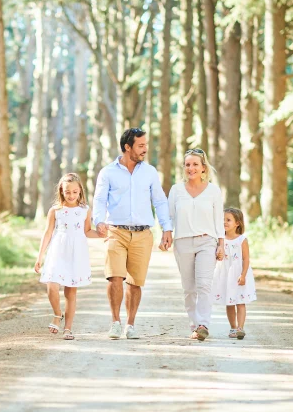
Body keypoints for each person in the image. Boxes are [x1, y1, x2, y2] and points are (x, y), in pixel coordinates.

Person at [93, 128, 173, 340]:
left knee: (135, 282)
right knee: (115, 277)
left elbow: (160, 201)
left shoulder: (149, 172)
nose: (145, 149)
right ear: (127, 147)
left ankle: (130, 324)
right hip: (115, 231)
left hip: (142, 234)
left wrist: (167, 228)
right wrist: (98, 220)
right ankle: (115, 322)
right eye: (140, 145)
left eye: (145, 145)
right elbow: (100, 200)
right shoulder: (108, 172)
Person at [163, 148, 224, 341]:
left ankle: (203, 323)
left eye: (195, 164)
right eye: (188, 164)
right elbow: (168, 217)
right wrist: (166, 234)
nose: (191, 168)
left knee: (204, 285)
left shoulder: (213, 190)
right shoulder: (176, 190)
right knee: (189, 288)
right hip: (183, 242)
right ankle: (194, 324)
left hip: (207, 241)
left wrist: (221, 244)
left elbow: (219, 219)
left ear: (203, 167)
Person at [34, 173, 101, 340]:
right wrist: (40, 256)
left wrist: (102, 235)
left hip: (76, 253)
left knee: (71, 293)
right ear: (61, 191)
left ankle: (68, 329)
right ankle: (57, 314)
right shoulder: (55, 211)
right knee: (52, 286)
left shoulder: (84, 210)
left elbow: (87, 231)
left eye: (75, 192)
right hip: (58, 251)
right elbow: (48, 233)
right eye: (67, 192)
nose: (71, 195)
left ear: (80, 192)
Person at [211, 208, 256, 340]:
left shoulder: (242, 239)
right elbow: (217, 257)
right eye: (223, 220)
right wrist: (218, 255)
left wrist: (243, 275)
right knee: (229, 302)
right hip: (225, 273)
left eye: (228, 220)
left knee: (240, 302)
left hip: (238, 273)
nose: (224, 222)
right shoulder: (220, 240)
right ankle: (233, 327)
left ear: (237, 223)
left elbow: (246, 259)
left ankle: (240, 328)